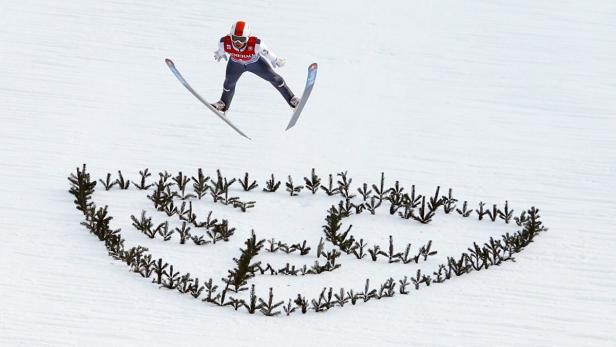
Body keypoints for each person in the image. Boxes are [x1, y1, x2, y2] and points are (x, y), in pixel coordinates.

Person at [211, 20, 299, 113]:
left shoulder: (256, 44)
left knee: (276, 79)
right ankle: (223, 105)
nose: (237, 42)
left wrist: (275, 59)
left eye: (242, 39)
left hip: (255, 64)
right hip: (235, 65)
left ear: (248, 38)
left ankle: (292, 100)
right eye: (235, 38)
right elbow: (221, 49)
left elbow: (266, 52)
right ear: (230, 36)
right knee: (228, 83)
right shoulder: (224, 42)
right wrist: (219, 54)